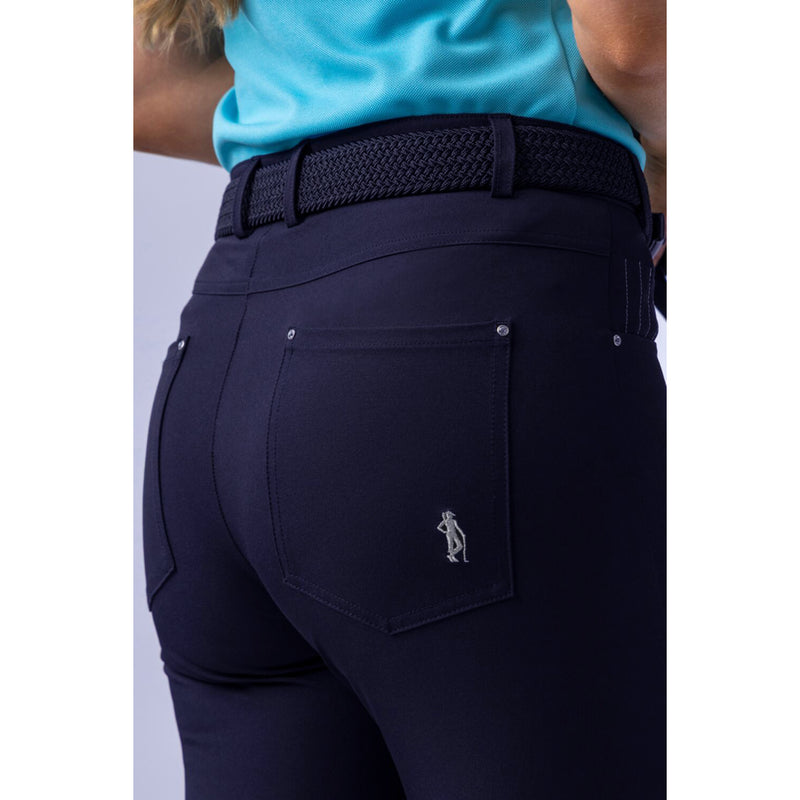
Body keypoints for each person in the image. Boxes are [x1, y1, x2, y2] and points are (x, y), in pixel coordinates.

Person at [134, 1, 666, 798]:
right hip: (466, 325)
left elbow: (140, 84)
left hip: (224, 364)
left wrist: (340, 100)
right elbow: (632, 45)